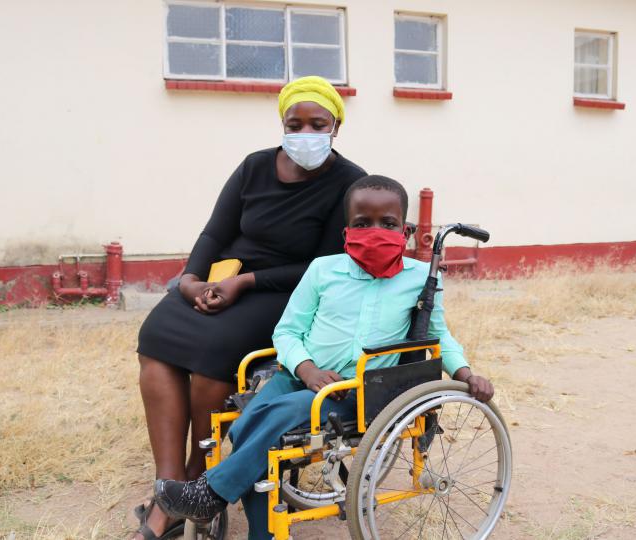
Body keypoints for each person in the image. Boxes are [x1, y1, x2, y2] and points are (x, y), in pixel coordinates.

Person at [152, 175, 495, 539]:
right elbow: (286, 331)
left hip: (356, 393)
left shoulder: (419, 279)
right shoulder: (322, 271)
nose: (375, 231)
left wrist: (466, 372)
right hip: (298, 376)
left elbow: (439, 335)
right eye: (362, 224)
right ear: (347, 231)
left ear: (406, 230)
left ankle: (211, 493)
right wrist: (308, 369)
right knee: (243, 431)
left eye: (388, 224)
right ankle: (254, 526)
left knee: (271, 420)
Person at [132, 76, 367, 540]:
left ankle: (200, 482)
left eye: (317, 123)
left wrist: (246, 283)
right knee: (156, 337)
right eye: (294, 123)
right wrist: (192, 281)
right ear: (281, 122)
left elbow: (322, 267)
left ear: (335, 125)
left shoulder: (349, 182)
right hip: (228, 278)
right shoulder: (254, 166)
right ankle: (170, 488)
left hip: (283, 292)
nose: (305, 132)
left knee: (213, 353)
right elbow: (215, 232)